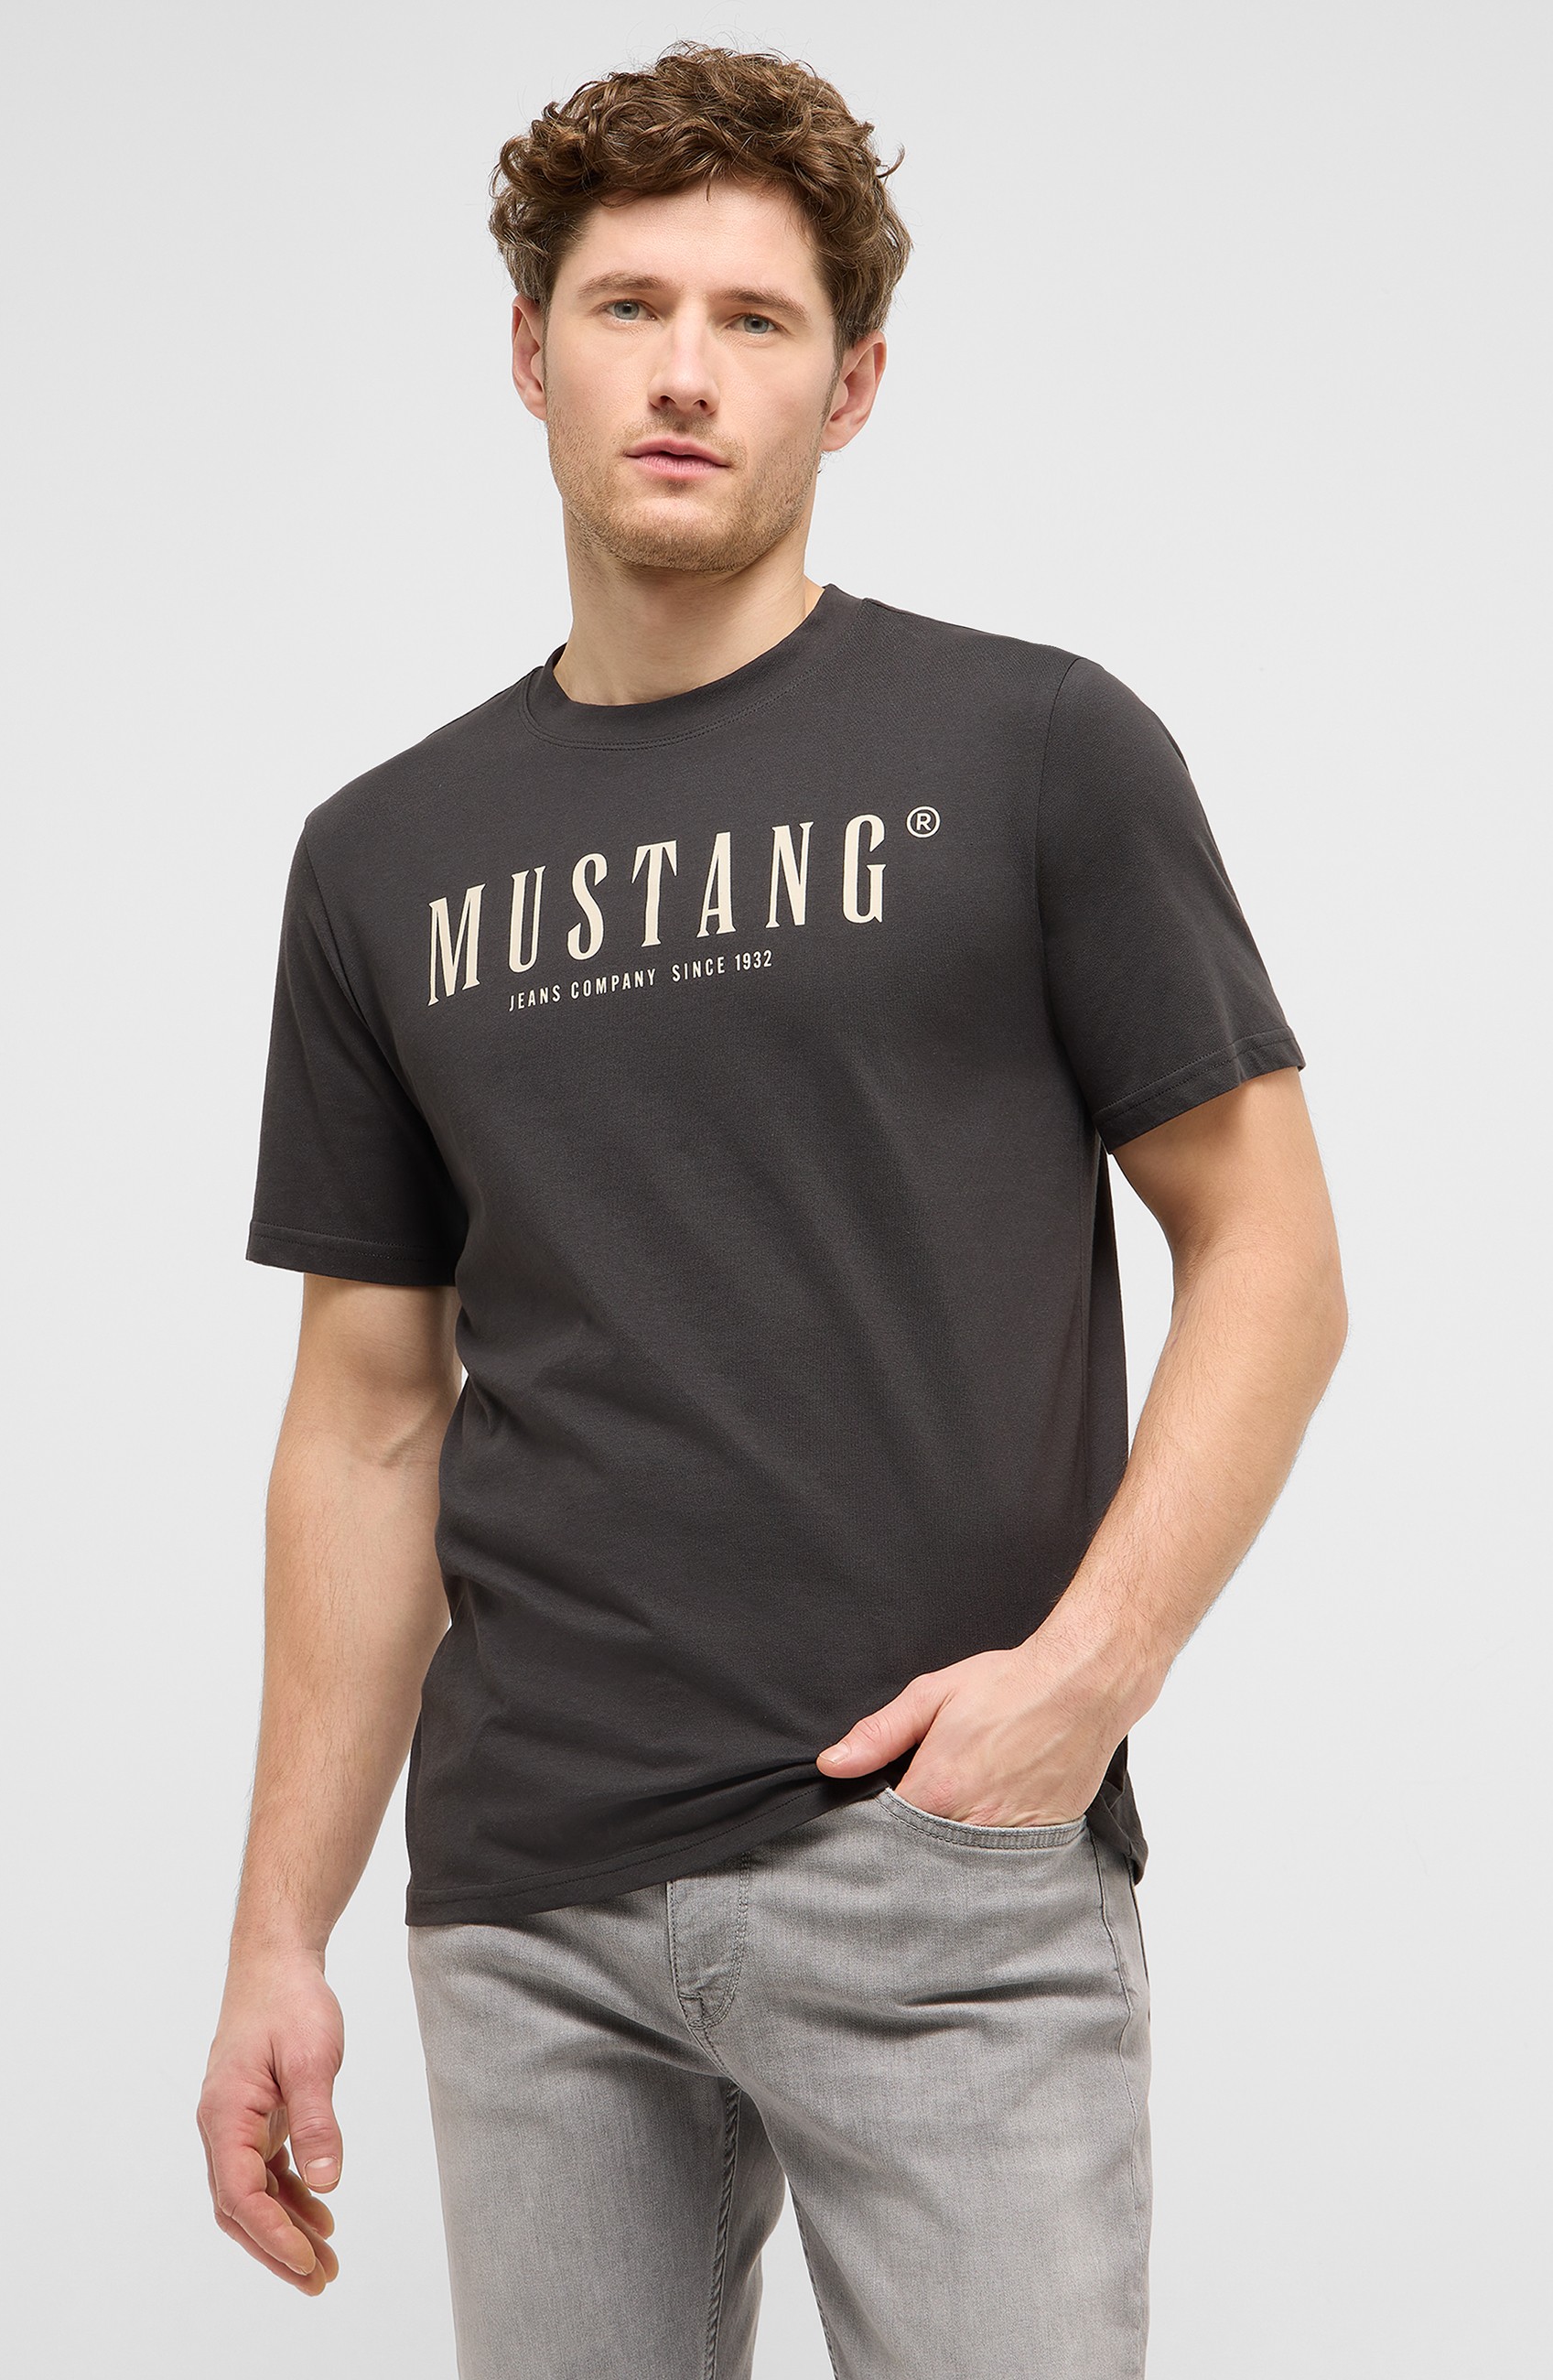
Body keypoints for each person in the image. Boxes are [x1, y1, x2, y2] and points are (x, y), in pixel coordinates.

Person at [197, 38, 1347, 2379]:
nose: (685, 373)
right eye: (628, 307)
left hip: (938, 1870)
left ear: (857, 381)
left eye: (756, 318)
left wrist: (1082, 1686)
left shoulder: (1036, 751)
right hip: (529, 1913)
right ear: (529, 353)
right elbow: (370, 1413)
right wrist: (275, 1937)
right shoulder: (383, 858)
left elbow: (1276, 1254)